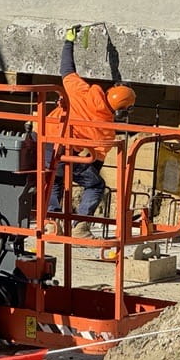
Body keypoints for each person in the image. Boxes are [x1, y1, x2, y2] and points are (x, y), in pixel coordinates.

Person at [46, 25, 136, 239]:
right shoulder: (107, 129)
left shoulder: (82, 91)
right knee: (96, 185)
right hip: (72, 155)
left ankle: (52, 223)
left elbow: (66, 69)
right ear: (121, 110)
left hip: (46, 141)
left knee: (52, 179)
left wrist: (69, 41)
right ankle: (80, 227)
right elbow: (96, 162)